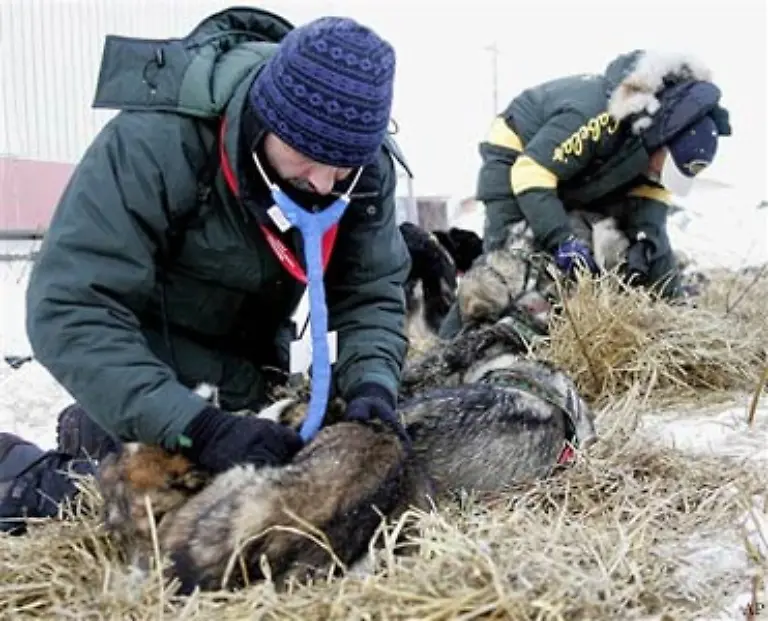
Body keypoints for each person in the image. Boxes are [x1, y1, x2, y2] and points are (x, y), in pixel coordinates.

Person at [0, 9, 413, 534]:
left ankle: (102, 430)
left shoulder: (363, 170)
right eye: (308, 157)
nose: (326, 184)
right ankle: (25, 474)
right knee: (146, 513)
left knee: (266, 514)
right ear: (266, 122)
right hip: (150, 371)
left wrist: (372, 388)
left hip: (247, 375)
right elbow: (69, 308)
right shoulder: (156, 141)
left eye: (344, 166)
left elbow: (373, 291)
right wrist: (197, 426)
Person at [438, 49, 731, 339]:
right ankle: (446, 351)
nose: (660, 176)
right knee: (507, 267)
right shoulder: (599, 116)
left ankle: (545, 345)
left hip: (575, 173)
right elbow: (531, 173)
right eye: (666, 169)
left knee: (602, 258)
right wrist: (561, 239)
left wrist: (679, 314)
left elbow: (652, 234)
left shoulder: (648, 154)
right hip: (518, 159)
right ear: (666, 142)